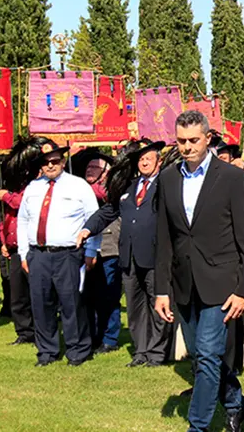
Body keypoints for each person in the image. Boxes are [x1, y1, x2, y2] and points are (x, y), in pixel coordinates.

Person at [154, 111, 244, 432]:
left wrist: (242, 289)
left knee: (209, 356)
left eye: (193, 140)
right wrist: (161, 289)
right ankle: (236, 400)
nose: (186, 147)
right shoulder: (167, 178)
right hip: (183, 283)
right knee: (200, 355)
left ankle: (197, 427)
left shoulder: (232, 178)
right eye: (181, 141)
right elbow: (164, 238)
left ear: (208, 138)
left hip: (222, 283)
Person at [79, 139, 174, 367]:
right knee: (135, 306)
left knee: (157, 305)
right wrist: (87, 228)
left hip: (154, 257)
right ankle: (140, 351)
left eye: (148, 158)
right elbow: (108, 211)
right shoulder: (129, 188)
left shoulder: (166, 185)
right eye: (141, 159)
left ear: (158, 162)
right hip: (129, 257)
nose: (144, 163)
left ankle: (157, 353)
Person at [17, 141, 100, 366]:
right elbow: (23, 221)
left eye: (55, 161)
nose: (51, 165)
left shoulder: (78, 185)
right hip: (38, 254)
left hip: (68, 254)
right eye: (46, 162)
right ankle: (46, 351)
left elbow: (93, 219)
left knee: (72, 303)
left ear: (63, 161)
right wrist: (24, 253)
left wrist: (92, 250)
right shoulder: (33, 188)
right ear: (41, 166)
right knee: (41, 305)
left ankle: (78, 350)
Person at [0, 137, 51, 346]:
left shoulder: (35, 187)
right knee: (17, 295)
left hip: (32, 246)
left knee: (36, 292)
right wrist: (4, 243)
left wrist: (6, 195)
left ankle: (40, 330)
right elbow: (4, 219)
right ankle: (24, 332)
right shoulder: (17, 186)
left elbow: (21, 203)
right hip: (14, 246)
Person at [78, 151, 123, 355]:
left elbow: (107, 198)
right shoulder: (81, 187)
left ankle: (109, 338)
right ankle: (93, 335)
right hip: (85, 247)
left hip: (108, 247)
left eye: (95, 167)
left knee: (109, 296)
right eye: (88, 167)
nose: (89, 169)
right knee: (88, 296)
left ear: (106, 172)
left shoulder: (111, 187)